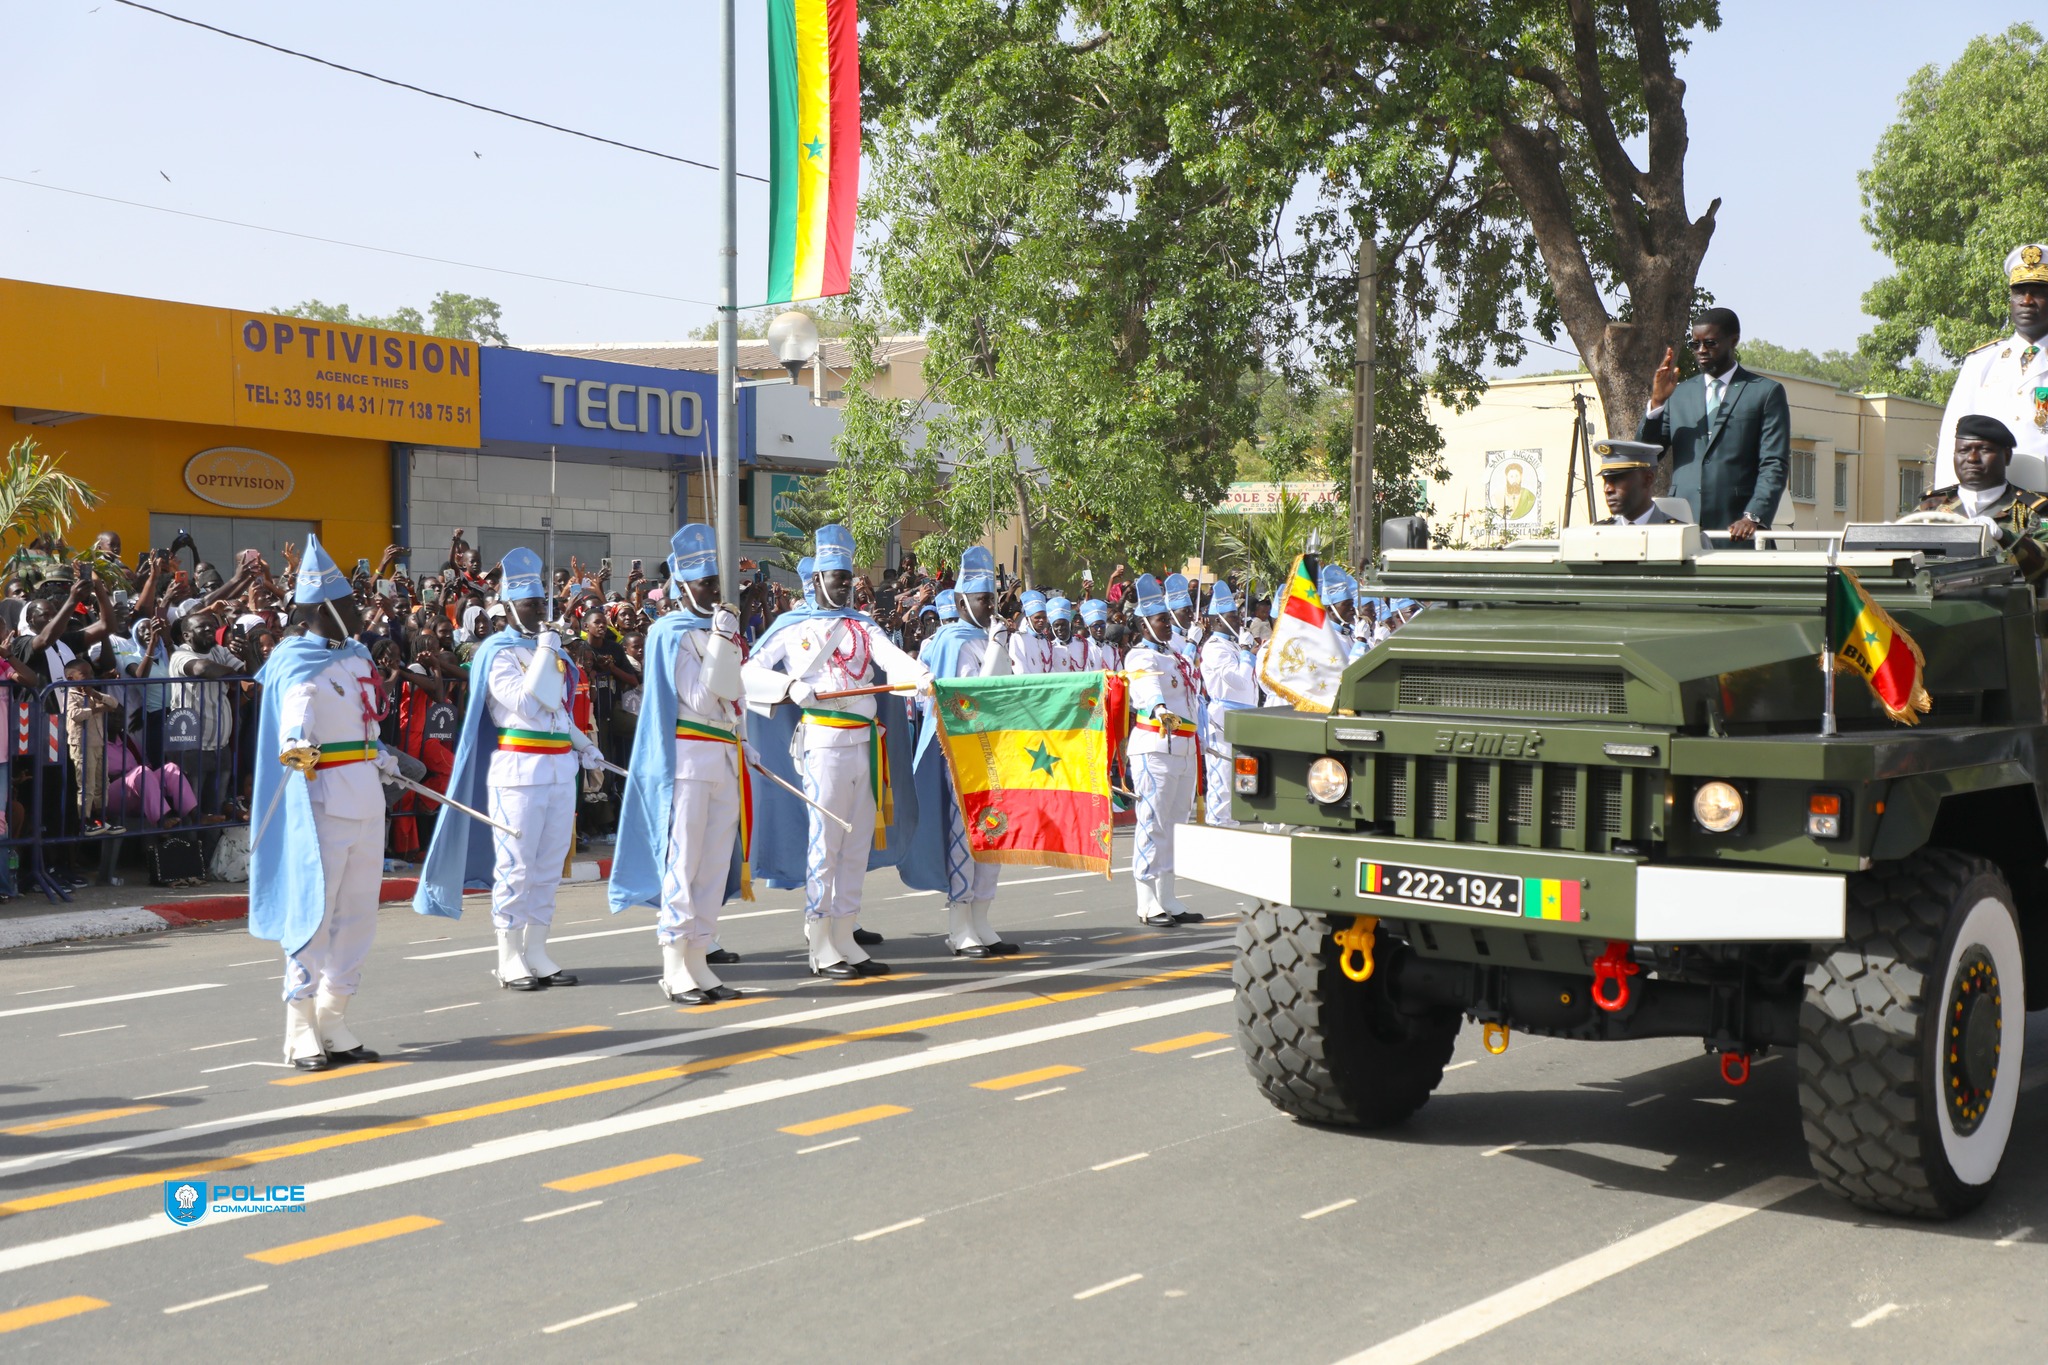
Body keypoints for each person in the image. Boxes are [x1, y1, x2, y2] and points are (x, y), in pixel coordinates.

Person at [742, 525, 933, 978]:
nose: (844, 583)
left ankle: (846, 934)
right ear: (815, 580)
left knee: (856, 843)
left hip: (865, 743)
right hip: (823, 741)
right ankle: (820, 940)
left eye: (847, 575)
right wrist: (789, 684)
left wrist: (920, 673)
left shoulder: (864, 627)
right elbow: (748, 672)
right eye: (835, 576)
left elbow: (893, 661)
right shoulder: (793, 628)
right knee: (825, 844)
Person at [415, 547, 606, 991]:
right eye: (529, 605)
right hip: (518, 770)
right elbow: (525, 701)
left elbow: (557, 712)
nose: (539, 612)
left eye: (542, 604)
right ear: (508, 608)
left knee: (547, 865)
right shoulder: (497, 651)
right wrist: (546, 648)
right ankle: (508, 957)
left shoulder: (547, 649)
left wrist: (584, 746)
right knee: (516, 867)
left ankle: (537, 950)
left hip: (559, 769)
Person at [249, 534, 402, 1070]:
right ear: (319, 611)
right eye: (346, 604)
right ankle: (299, 1026)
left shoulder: (356, 657)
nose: (357, 610)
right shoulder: (296, 660)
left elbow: (364, 719)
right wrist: (294, 742)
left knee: (359, 914)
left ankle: (335, 1018)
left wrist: (380, 753)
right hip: (324, 802)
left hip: (365, 797)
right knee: (317, 912)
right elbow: (297, 713)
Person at [610, 525, 751, 1004]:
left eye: (716, 583)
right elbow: (698, 695)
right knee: (685, 862)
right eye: (706, 584)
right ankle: (674, 965)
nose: (714, 592)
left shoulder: (716, 632)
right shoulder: (667, 632)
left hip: (724, 757)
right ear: (682, 586)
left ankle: (698, 958)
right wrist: (719, 642)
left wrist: (744, 739)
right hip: (688, 760)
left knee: (713, 865)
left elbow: (735, 697)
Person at [907, 545, 1015, 957]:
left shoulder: (990, 635)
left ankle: (982, 918)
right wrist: (997, 644)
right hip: (962, 754)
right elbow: (974, 697)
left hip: (994, 750)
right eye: (982, 599)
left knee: (993, 836)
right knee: (964, 838)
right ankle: (960, 923)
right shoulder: (953, 640)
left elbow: (1005, 691)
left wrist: (998, 642)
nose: (989, 606)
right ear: (959, 601)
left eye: (992, 598)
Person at [1638, 306, 1789, 542]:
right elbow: (1646, 456)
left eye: (1710, 343)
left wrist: (1753, 516)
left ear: (1734, 340)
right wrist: (1657, 402)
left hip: (1739, 531)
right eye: (1695, 344)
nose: (1701, 351)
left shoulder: (1765, 392)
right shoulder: (1678, 394)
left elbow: (1774, 463)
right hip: (1683, 530)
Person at [1125, 573, 1203, 927]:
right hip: (1155, 747)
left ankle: (1167, 894)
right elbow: (1146, 688)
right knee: (1153, 822)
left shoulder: (1172, 653)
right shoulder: (1140, 656)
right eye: (1161, 620)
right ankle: (1146, 899)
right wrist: (1158, 708)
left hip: (1184, 747)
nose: (1169, 625)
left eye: (1169, 619)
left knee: (1175, 824)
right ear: (1145, 625)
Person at [1937, 244, 2048, 491]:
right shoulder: (1981, 362)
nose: (2026, 301)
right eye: (2019, 293)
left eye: (2037, 292)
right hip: (1994, 503)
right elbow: (1953, 439)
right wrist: (1951, 506)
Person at [1916, 415, 2048, 588]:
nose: (1972, 458)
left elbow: (2044, 565)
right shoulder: (1931, 508)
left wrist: (2003, 537)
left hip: (2008, 606)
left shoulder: (2034, 509)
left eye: (1984, 450)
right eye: (1963, 451)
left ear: (2007, 456)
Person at [1198, 582, 1257, 829]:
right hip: (1224, 718)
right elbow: (1240, 681)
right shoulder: (1215, 648)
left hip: (1242, 717)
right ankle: (1218, 827)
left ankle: (1231, 825)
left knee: (1241, 781)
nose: (1239, 620)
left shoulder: (1232, 644)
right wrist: (1246, 651)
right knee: (1222, 778)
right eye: (1233, 616)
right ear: (1217, 621)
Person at [1592, 440, 1686, 525]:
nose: (1607, 489)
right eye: (1605, 480)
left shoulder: (1679, 535)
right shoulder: (1599, 535)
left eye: (1617, 479)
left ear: (1647, 479)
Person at [1008, 589, 1053, 674]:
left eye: (1044, 617)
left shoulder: (1045, 640)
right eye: (1037, 617)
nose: (1041, 620)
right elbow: (1020, 670)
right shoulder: (1018, 638)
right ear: (1027, 618)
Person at [1078, 598, 1118, 671]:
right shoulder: (1082, 648)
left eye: (1102, 625)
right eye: (1096, 626)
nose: (1099, 629)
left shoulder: (1112, 649)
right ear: (1088, 627)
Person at [1045, 595, 1084, 672]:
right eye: (1056, 625)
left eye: (1063, 625)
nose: (1060, 629)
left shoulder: (1082, 645)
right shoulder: (1049, 648)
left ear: (1069, 624)